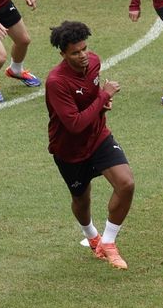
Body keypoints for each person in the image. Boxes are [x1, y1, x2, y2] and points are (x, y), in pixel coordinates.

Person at [45, 21, 134, 270]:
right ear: (63, 54)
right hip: (69, 150)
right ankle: (91, 235)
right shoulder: (56, 82)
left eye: (84, 49)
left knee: (126, 183)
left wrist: (101, 103)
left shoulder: (94, 62)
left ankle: (108, 242)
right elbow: (74, 124)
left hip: (98, 137)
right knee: (81, 200)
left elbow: (91, 100)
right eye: (75, 52)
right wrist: (105, 96)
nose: (83, 56)